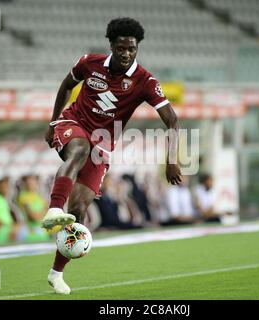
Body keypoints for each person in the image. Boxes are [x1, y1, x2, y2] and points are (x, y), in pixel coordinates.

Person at [41, 17, 182, 294]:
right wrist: (52, 121)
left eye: (132, 49)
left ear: (137, 48)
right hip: (74, 123)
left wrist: (172, 159)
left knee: (79, 209)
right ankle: (54, 207)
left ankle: (56, 273)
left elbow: (172, 120)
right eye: (121, 48)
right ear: (111, 46)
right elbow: (66, 86)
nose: (126, 54)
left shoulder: (145, 81)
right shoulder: (89, 63)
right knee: (79, 150)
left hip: (103, 143)